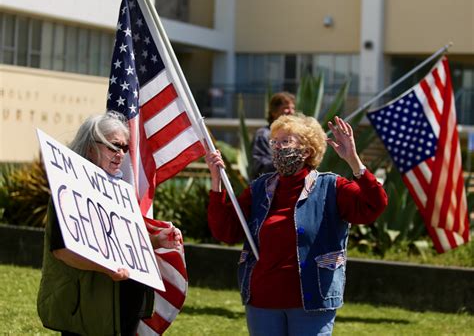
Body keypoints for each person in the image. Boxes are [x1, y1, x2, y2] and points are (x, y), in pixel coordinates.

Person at [205, 114, 388, 336]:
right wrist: (216, 182)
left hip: (312, 301)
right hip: (262, 301)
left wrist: (353, 161)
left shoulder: (331, 187)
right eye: (274, 142)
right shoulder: (260, 188)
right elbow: (226, 231)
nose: (278, 148)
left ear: (307, 150)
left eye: (286, 141)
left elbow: (373, 206)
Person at [37, 111, 182, 336]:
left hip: (125, 310)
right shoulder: (67, 190)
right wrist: (106, 268)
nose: (121, 154)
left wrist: (155, 240)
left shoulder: (121, 192)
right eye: (114, 146)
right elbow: (63, 251)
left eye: (124, 148)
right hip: (89, 312)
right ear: (89, 147)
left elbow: (123, 242)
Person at [251, 91, 296, 178]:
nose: (291, 111)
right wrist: (285, 161)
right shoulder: (263, 135)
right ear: (274, 112)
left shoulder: (295, 136)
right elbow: (260, 165)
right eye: (286, 108)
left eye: (293, 108)